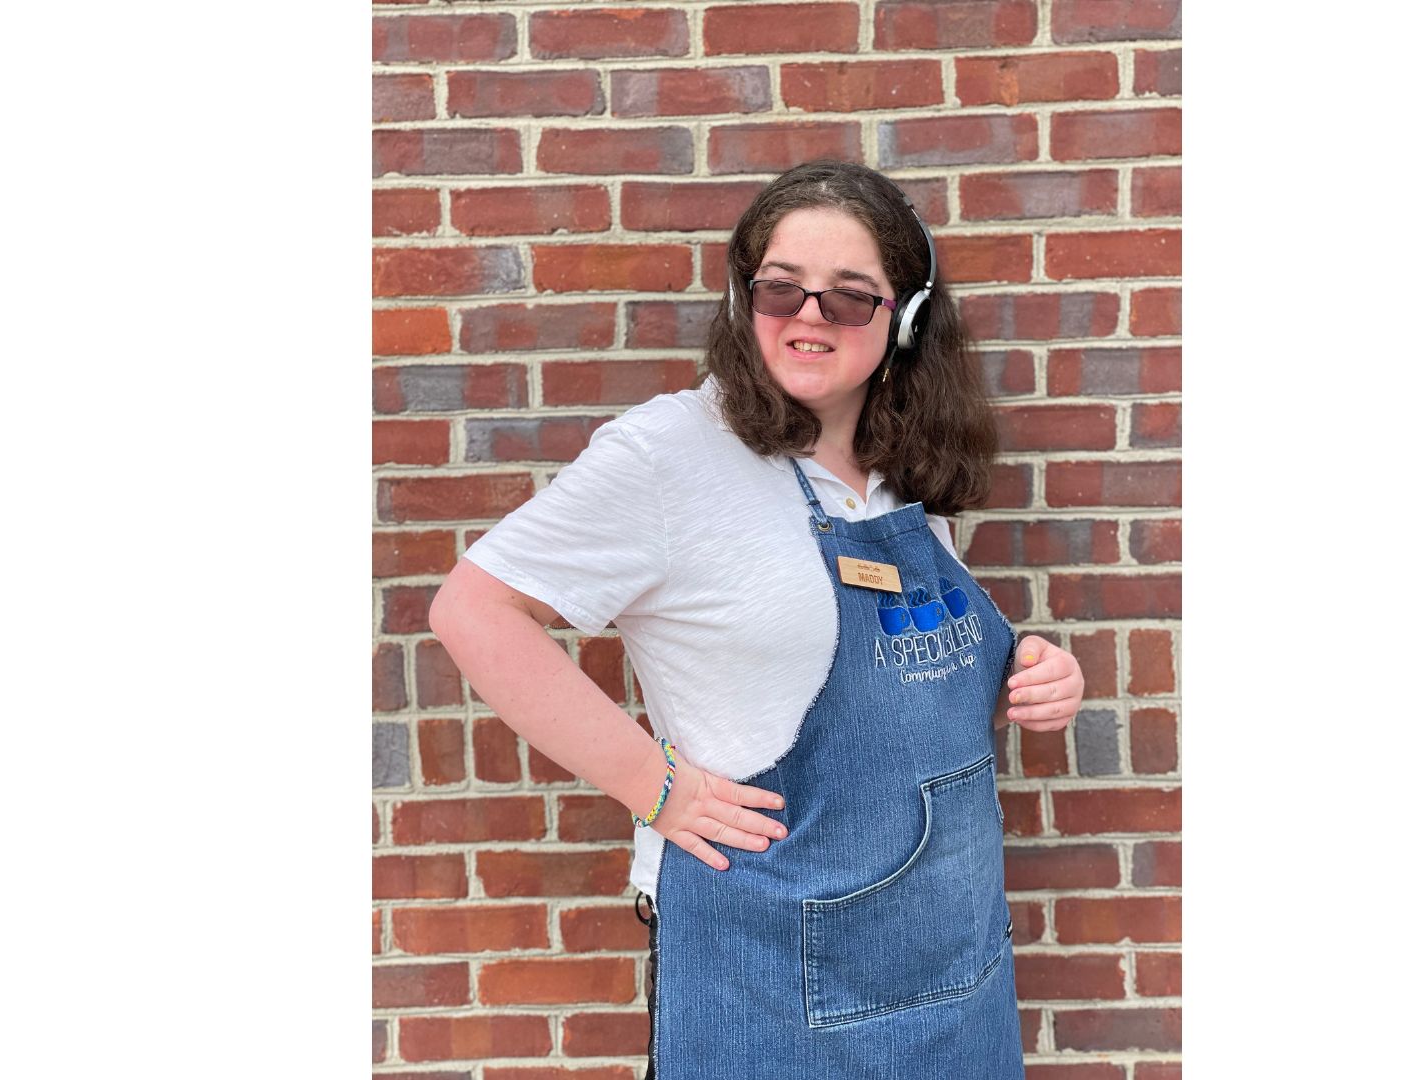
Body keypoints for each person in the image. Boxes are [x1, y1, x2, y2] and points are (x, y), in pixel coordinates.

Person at [429, 159, 1085, 1078]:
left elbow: (910, 661)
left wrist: (1036, 669)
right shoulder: (670, 454)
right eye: (781, 289)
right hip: (771, 960)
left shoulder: (899, 471)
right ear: (745, 299)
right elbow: (476, 609)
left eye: (850, 298)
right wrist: (653, 786)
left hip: (953, 954)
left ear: (902, 319)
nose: (809, 316)